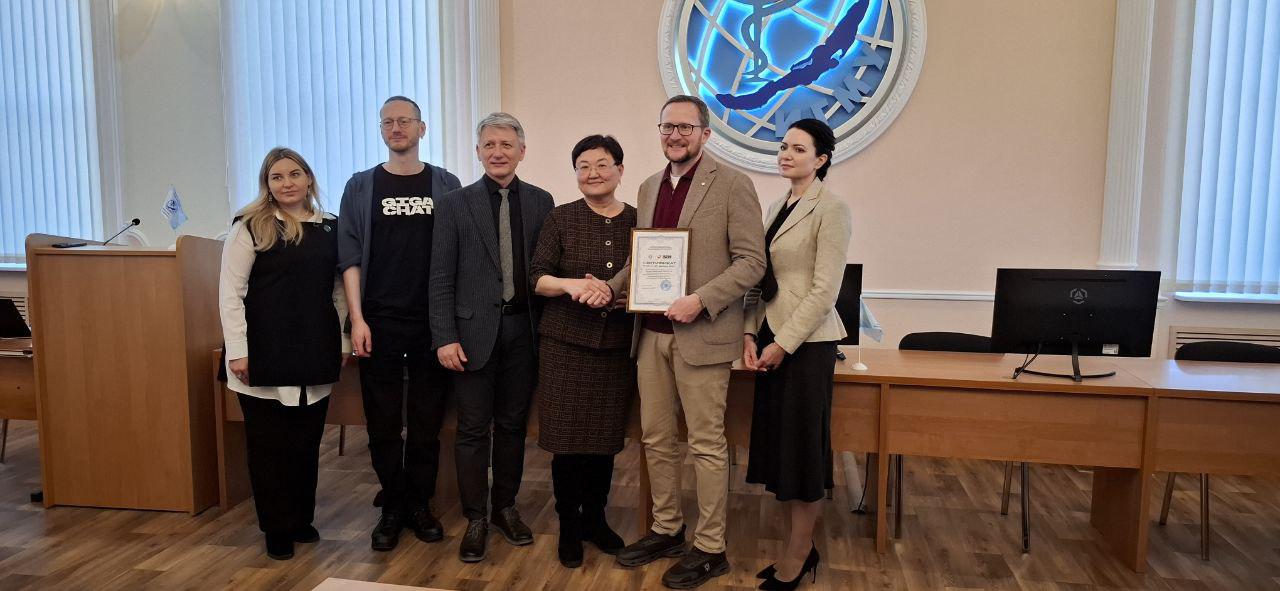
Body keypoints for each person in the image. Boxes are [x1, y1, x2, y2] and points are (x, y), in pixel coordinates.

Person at [609, 95, 766, 589]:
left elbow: (752, 262)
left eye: (684, 127)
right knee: (655, 439)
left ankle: (711, 547)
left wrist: (701, 300)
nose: (674, 135)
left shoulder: (733, 184)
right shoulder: (648, 186)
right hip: (651, 336)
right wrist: (609, 288)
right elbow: (644, 258)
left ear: (705, 133)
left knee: (705, 445)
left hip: (703, 335)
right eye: (667, 127)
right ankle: (667, 529)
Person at [337, 96, 461, 552]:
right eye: (387, 122)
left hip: (432, 323)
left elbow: (458, 254)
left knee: (426, 423)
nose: (396, 128)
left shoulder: (446, 183)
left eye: (404, 120)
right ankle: (392, 505)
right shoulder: (360, 186)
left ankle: (419, 504)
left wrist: (450, 325)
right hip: (378, 322)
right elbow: (349, 257)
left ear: (421, 128)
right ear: (381, 130)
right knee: (383, 423)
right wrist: (357, 319)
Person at [430, 112, 555, 563]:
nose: (497, 152)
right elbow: (440, 277)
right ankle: (475, 518)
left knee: (512, 427)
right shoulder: (453, 204)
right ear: (478, 152)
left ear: (522, 151)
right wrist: (444, 336)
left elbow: (546, 269)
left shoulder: (542, 202)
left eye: (506, 145)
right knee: (471, 430)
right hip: (469, 336)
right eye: (489, 145)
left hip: (524, 331)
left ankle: (505, 508)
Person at [219, 147, 348, 561]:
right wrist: (238, 351)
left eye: (294, 174)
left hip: (315, 347)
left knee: (305, 443)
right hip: (262, 351)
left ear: (308, 179)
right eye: (277, 177)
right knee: (268, 448)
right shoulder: (250, 226)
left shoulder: (330, 227)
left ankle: (300, 519)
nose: (287, 182)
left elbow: (339, 291)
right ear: (267, 184)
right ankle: (275, 527)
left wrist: (342, 342)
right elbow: (230, 294)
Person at [743, 118, 850, 590]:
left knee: (803, 451)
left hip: (806, 346)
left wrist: (783, 344)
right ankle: (797, 546)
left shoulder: (832, 209)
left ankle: (800, 551)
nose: (786, 154)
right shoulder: (776, 206)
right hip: (771, 336)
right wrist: (750, 334)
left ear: (821, 159)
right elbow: (762, 279)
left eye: (799, 149)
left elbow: (825, 290)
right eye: (784, 146)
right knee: (782, 451)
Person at [529, 135, 636, 568]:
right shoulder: (560, 218)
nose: (593, 173)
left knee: (604, 442)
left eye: (602, 164)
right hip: (564, 346)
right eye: (583, 166)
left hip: (615, 348)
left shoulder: (639, 221)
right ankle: (569, 526)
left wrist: (623, 297)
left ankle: (595, 518)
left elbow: (651, 277)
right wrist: (572, 285)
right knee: (568, 443)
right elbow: (537, 278)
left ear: (620, 170)